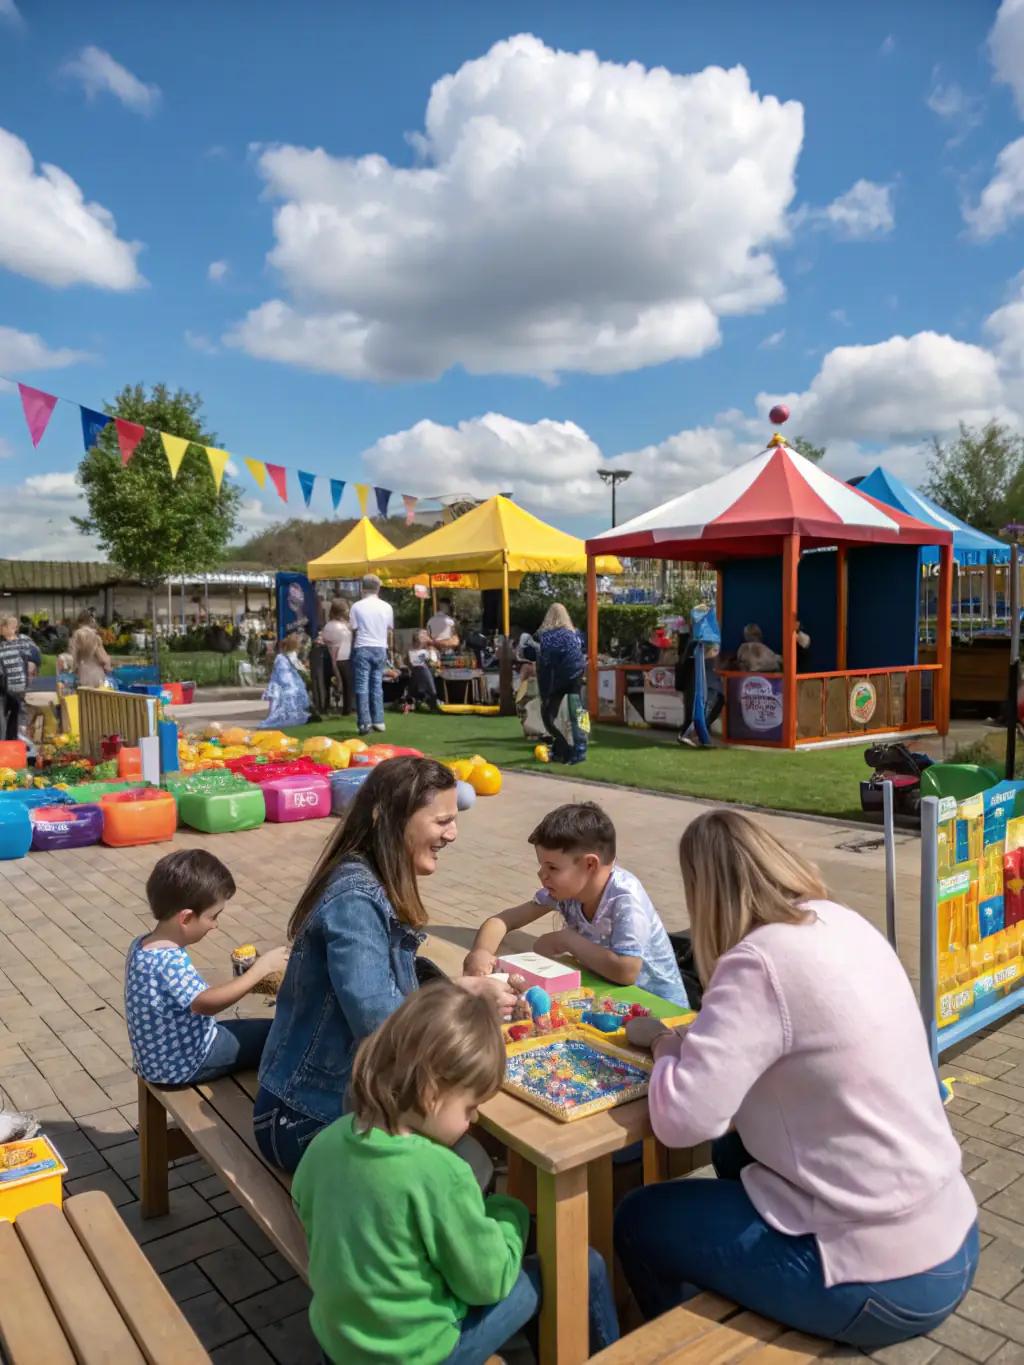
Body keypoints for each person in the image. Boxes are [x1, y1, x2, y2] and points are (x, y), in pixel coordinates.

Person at [614, 810, 978, 1350]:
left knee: (639, 1219)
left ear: (706, 893)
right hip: (950, 1231)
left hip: (888, 1277)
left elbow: (682, 1121)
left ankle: (669, 1348)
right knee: (734, 1155)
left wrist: (667, 1044)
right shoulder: (839, 920)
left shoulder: (756, 962)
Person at [293, 981, 619, 1365]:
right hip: (421, 1353)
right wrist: (510, 1215)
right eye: (470, 1107)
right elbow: (489, 1281)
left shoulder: (326, 1143)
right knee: (583, 1266)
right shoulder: (439, 1172)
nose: (475, 1117)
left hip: (342, 1345)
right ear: (432, 1091)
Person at [254, 756, 515, 1173]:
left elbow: (389, 982)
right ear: (388, 818)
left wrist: (458, 990)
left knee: (468, 1130)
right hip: (305, 1118)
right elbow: (380, 1026)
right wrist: (462, 1003)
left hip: (327, 1105)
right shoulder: (355, 900)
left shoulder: (369, 881)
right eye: (442, 820)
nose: (453, 833)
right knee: (471, 1164)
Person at [464, 801, 689, 1009]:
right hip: (609, 995)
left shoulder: (625, 899)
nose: (541, 874)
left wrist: (567, 940)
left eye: (552, 868)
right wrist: (481, 952)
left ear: (589, 864)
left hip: (662, 1011)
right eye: (542, 865)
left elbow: (627, 971)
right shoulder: (567, 891)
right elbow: (503, 920)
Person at [124, 850, 289, 1086]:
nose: (216, 925)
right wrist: (261, 970)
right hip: (188, 1064)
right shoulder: (169, 961)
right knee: (280, 1034)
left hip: (158, 1063)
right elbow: (206, 1004)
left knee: (253, 1029)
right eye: (213, 916)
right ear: (186, 918)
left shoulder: (141, 945)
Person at [521, 604, 587, 764]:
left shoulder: (546, 636)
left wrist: (546, 693)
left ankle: (562, 747)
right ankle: (580, 749)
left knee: (549, 715)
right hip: (577, 674)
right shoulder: (576, 635)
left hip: (557, 677)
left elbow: (537, 659)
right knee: (579, 713)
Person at [351, 574, 394, 735]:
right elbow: (389, 629)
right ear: (378, 588)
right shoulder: (386, 606)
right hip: (380, 646)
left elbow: (353, 628)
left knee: (362, 685)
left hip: (363, 645)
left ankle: (364, 723)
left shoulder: (357, 606)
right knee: (377, 685)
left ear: (363, 588)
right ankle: (379, 720)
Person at [258, 634, 310, 728]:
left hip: (291, 680)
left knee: (292, 698)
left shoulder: (290, 655)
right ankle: (286, 716)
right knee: (285, 700)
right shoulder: (282, 657)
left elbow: (298, 666)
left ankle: (293, 715)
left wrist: (303, 670)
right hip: (283, 683)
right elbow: (282, 673)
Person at [0, 615, 36, 743]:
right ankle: (3, 748)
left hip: (18, 687)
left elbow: (35, 657)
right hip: (2, 689)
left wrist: (31, 666)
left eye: (6, 626)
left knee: (16, 718)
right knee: (1, 721)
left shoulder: (23, 641)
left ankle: (14, 745)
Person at [319, 597, 354, 714]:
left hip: (333, 659)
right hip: (342, 659)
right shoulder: (339, 627)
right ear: (342, 612)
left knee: (328, 684)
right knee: (348, 685)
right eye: (347, 610)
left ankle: (326, 707)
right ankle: (346, 709)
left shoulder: (329, 626)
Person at [70, 610, 112, 689]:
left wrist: (74, 667)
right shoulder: (94, 635)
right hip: (95, 671)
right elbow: (102, 656)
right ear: (90, 621)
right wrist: (107, 665)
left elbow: (73, 654)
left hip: (82, 671)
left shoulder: (76, 634)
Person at [407, 631, 442, 711]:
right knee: (422, 669)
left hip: (429, 673)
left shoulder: (430, 650)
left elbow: (435, 662)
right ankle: (430, 702)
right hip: (421, 673)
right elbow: (414, 663)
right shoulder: (413, 651)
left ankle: (427, 701)